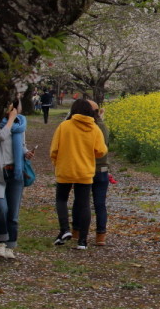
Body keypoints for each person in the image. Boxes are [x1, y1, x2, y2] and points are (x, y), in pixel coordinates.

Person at [0, 94, 34, 260]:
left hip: (15, 172)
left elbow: (22, 145)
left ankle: (10, 246)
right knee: (1, 208)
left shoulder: (20, 124)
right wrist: (10, 120)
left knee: (13, 214)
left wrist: (26, 153)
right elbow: (1, 136)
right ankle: (1, 242)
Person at [50, 98, 107, 250]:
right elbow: (101, 151)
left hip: (65, 169)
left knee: (61, 200)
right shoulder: (95, 128)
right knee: (84, 205)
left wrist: (57, 163)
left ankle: (65, 230)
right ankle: (82, 241)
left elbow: (54, 149)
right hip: (85, 172)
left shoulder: (64, 126)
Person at [87, 100, 110, 246]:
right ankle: (100, 235)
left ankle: (78, 232)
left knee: (81, 202)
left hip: (86, 169)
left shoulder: (85, 127)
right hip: (102, 169)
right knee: (100, 204)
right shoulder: (103, 127)